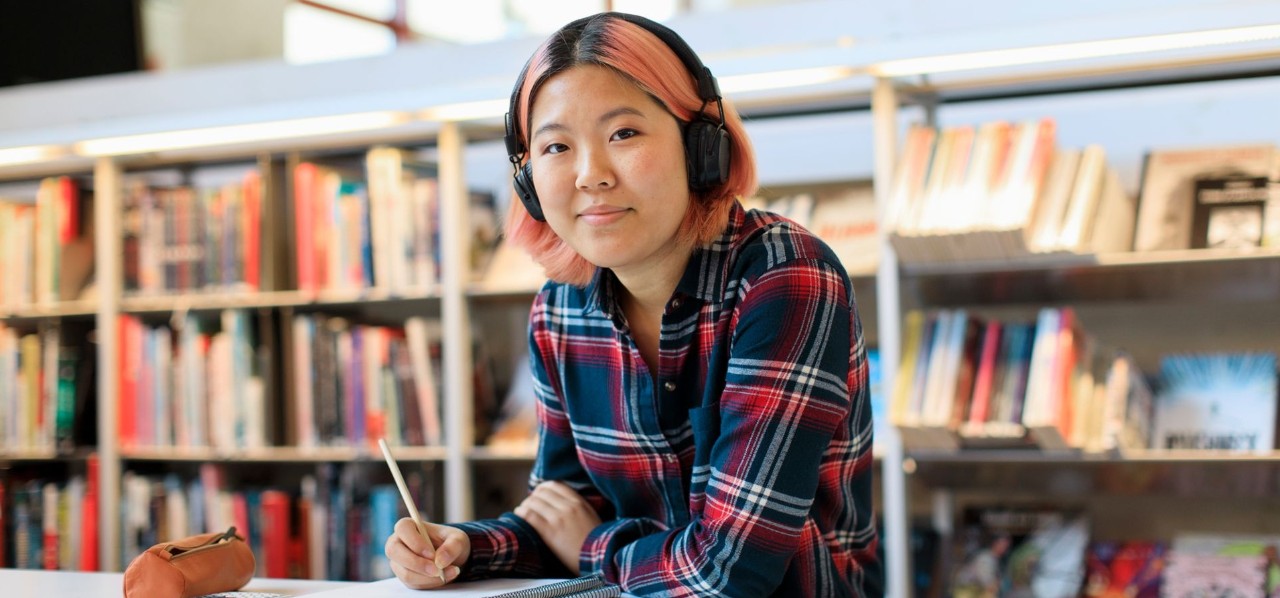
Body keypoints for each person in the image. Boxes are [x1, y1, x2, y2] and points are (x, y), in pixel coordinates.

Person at [385, 11, 881, 596]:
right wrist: (468, 547)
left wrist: (594, 546)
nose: (591, 175)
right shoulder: (560, 311)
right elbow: (562, 511)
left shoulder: (786, 278)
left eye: (623, 134)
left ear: (701, 146)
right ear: (528, 181)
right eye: (556, 146)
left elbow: (733, 570)